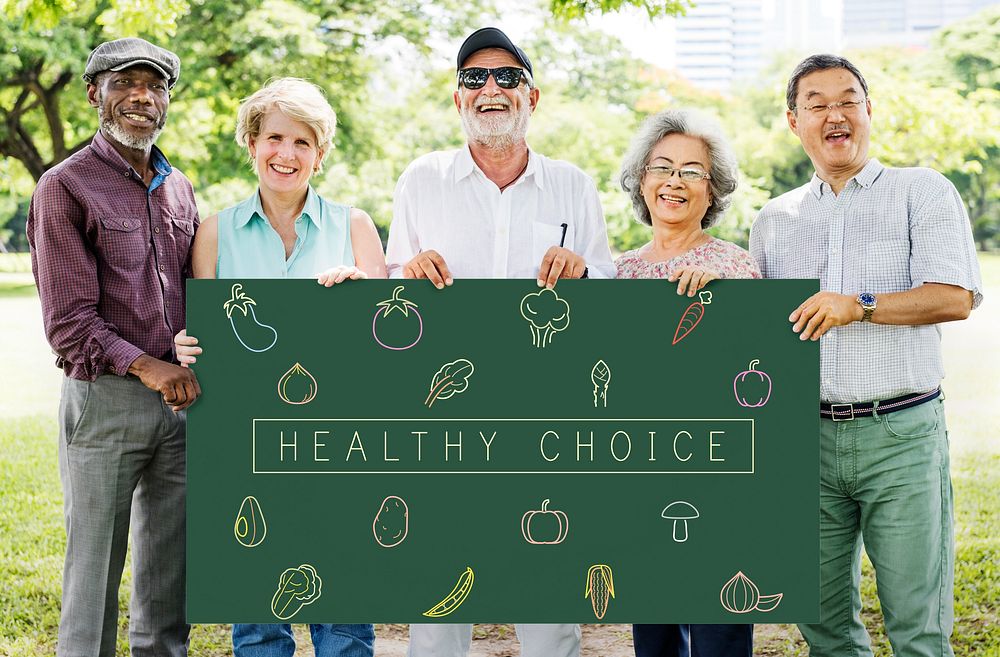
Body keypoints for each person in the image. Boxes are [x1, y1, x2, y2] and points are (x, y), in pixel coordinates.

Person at [385, 26, 614, 657]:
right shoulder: (421, 181)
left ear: (531, 98)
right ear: (457, 99)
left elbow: (610, 294)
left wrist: (583, 273)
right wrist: (408, 271)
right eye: (474, 79)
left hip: (548, 414)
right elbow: (391, 291)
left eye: (507, 77)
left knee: (549, 608)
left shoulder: (573, 185)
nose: (491, 89)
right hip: (446, 417)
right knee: (436, 601)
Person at [750, 54, 982, 657]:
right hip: (805, 443)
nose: (835, 114)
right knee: (823, 627)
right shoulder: (774, 220)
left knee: (918, 627)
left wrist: (860, 304)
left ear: (869, 111)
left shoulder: (921, 190)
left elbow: (954, 298)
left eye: (848, 100)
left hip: (901, 435)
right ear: (794, 121)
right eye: (817, 103)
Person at [175, 78, 385, 656]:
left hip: (338, 448)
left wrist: (365, 297)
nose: (286, 154)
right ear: (251, 143)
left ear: (321, 153)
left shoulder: (356, 228)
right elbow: (205, 338)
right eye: (274, 138)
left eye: (302, 142)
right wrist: (187, 347)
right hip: (248, 450)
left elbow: (389, 355)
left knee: (343, 619)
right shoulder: (214, 233)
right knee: (259, 622)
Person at [26, 38, 200, 657]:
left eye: (155, 86)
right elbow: (70, 322)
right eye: (125, 82)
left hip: (182, 407)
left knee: (168, 573)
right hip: (105, 402)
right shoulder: (64, 186)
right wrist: (148, 366)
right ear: (95, 93)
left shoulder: (180, 188)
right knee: (94, 566)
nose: (141, 97)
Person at [617, 109, 756, 657]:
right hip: (639, 476)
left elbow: (753, 376)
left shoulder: (736, 266)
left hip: (716, 477)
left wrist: (724, 302)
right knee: (653, 639)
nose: (675, 181)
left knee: (719, 632)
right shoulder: (617, 272)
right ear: (642, 181)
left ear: (713, 189)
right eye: (662, 167)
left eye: (692, 171)